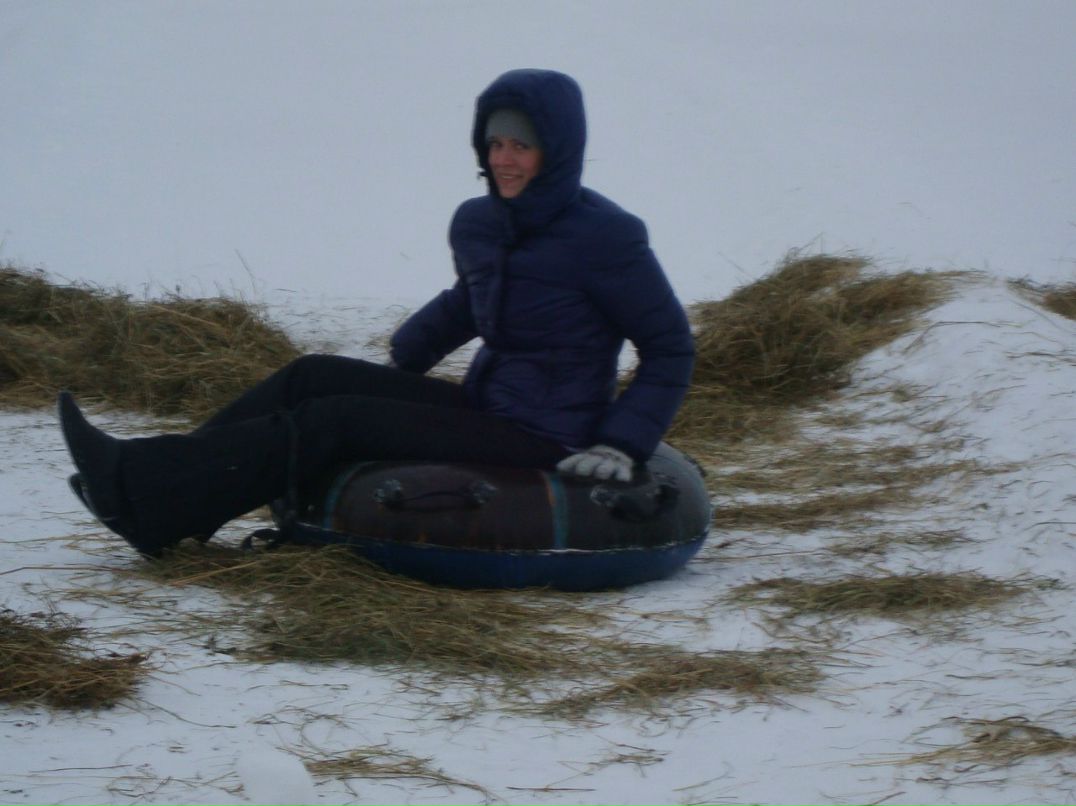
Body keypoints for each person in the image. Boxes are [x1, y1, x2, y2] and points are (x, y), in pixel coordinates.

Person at [58, 68, 695, 557]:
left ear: (556, 150)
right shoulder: (478, 222)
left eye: (521, 146)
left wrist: (621, 440)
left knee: (336, 421)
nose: (503, 159)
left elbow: (670, 347)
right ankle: (156, 487)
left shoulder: (608, 237)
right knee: (311, 375)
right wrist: (405, 359)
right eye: (495, 142)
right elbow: (472, 301)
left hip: (549, 432)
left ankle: (147, 499)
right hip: (487, 405)